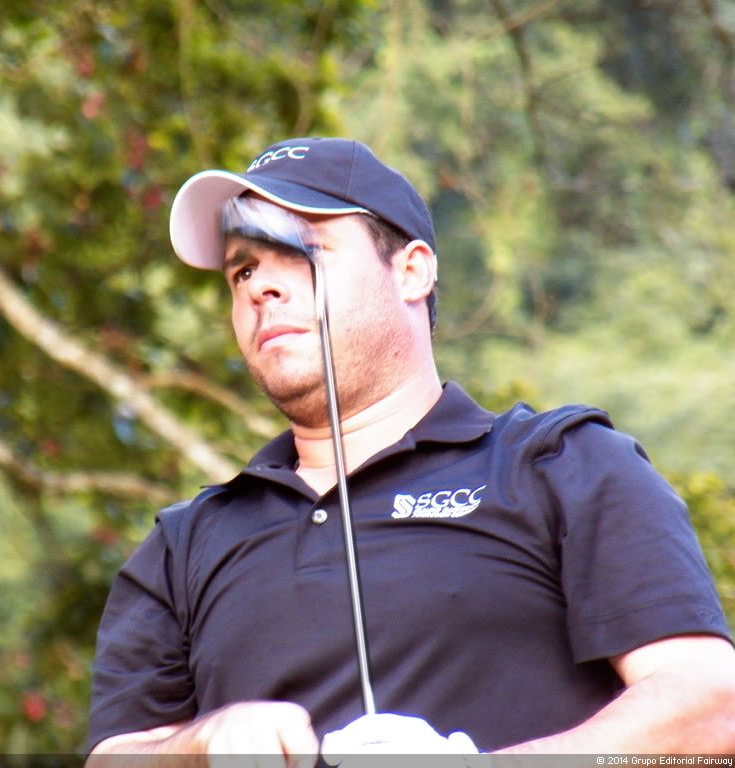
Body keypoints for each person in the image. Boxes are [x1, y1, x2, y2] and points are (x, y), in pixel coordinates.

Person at [85, 137, 735, 761]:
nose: (260, 287)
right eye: (243, 269)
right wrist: (199, 747)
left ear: (411, 270)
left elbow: (712, 712)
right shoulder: (182, 546)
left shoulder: (559, 465)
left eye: (301, 250)